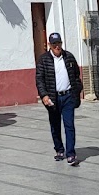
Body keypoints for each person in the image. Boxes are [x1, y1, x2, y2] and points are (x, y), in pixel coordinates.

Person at [35, 32, 83, 165]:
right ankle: (59, 150)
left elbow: (76, 75)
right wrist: (44, 95)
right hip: (53, 97)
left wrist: (77, 90)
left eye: (59, 43)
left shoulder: (69, 57)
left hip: (67, 96)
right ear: (49, 45)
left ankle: (71, 154)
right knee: (55, 126)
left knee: (69, 125)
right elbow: (39, 79)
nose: (57, 46)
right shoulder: (43, 60)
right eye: (54, 44)